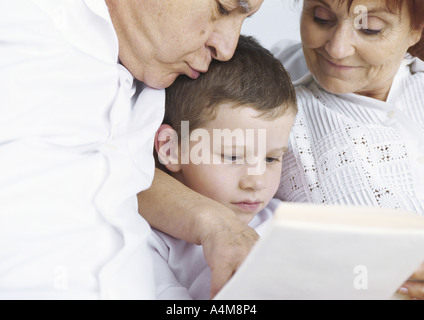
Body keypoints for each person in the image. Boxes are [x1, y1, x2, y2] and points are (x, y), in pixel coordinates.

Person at [0, 0, 264, 299]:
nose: (227, 49)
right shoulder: (19, 25)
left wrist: (214, 221)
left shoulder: (163, 82)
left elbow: (131, 175)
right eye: (223, 8)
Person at [271, 0, 424, 299]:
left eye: (370, 28)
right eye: (321, 18)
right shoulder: (274, 116)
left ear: (416, 30)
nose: (338, 49)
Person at [149, 35, 297, 300]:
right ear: (170, 149)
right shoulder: (153, 242)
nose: (256, 181)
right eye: (232, 157)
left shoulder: (286, 224)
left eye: (271, 159)